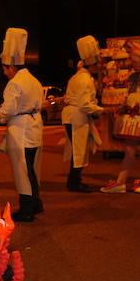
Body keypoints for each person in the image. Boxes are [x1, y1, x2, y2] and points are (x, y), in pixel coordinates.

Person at [0, 27, 45, 222]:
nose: (4, 72)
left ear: (11, 67)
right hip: (34, 127)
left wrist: (0, 115)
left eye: (4, 68)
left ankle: (27, 210)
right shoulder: (33, 80)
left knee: (22, 170)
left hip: (20, 130)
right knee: (32, 169)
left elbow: (8, 110)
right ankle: (36, 203)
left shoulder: (14, 83)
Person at [61, 36, 105, 192]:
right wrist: (102, 110)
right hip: (77, 117)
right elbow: (85, 104)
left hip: (72, 116)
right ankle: (74, 182)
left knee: (78, 150)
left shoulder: (78, 77)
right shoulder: (85, 79)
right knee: (79, 150)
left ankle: (74, 180)